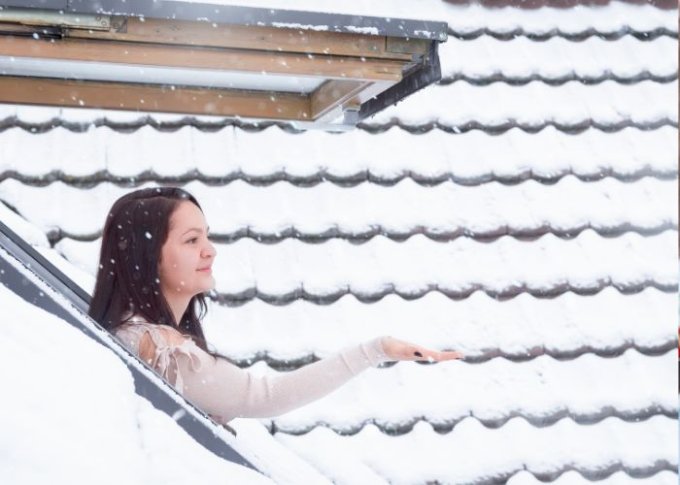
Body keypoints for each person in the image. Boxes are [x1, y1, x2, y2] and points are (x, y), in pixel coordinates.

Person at [89, 187, 464, 426]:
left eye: (207, 236)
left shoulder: (135, 332)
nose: (210, 250)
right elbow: (265, 396)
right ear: (148, 257)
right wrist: (375, 351)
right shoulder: (159, 346)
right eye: (191, 240)